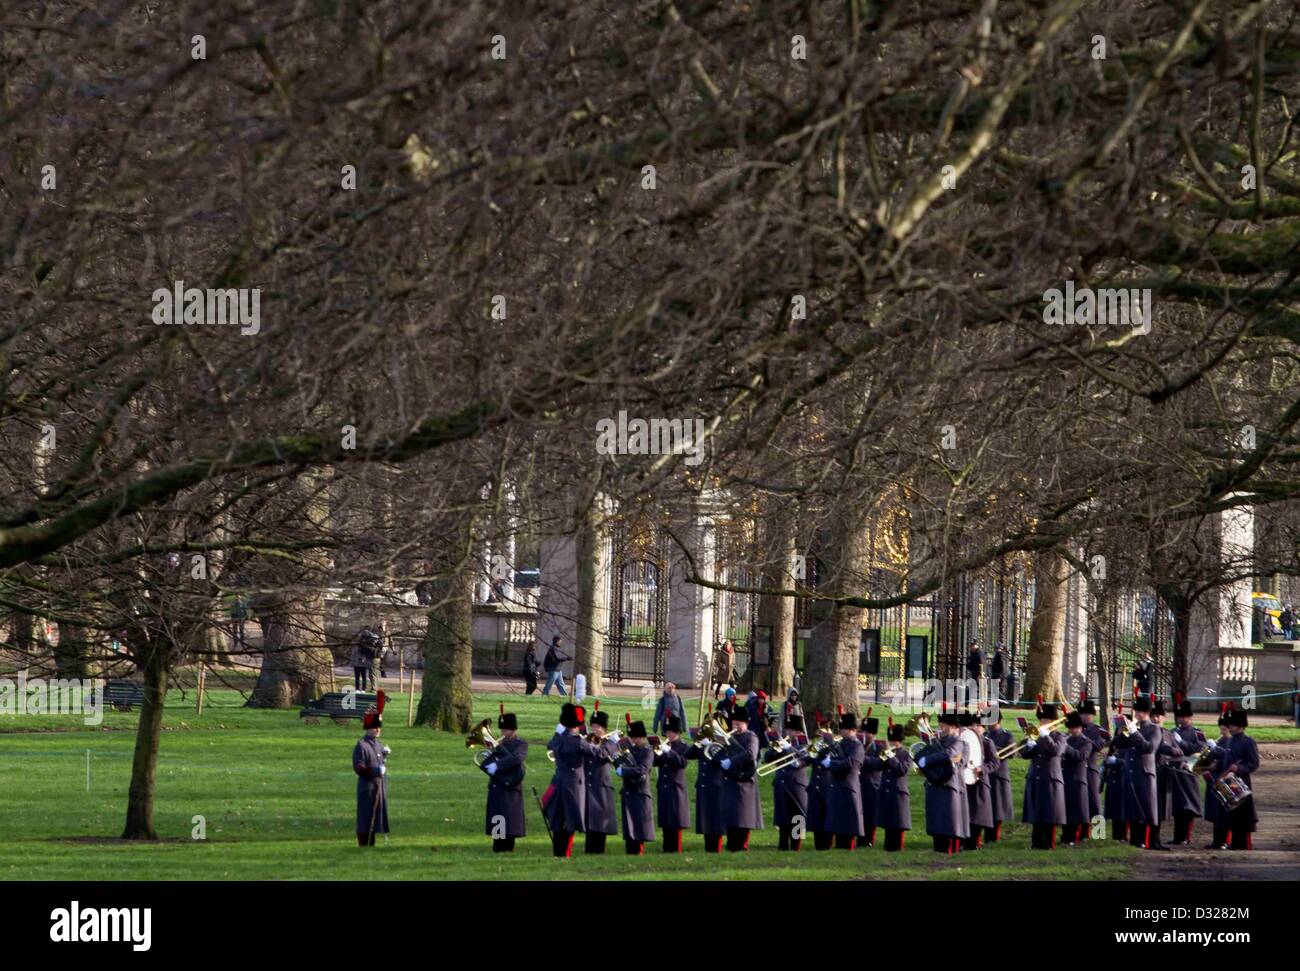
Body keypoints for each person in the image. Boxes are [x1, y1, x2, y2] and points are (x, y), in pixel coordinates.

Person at [1115, 696, 1165, 850]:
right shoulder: (1134, 726)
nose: (1137, 714)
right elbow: (1119, 744)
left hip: (1145, 772)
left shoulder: (1154, 729)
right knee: (1133, 807)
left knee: (1146, 807)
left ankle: (1147, 840)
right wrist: (1121, 730)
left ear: (1148, 713)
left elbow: (1149, 748)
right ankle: (1136, 839)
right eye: (1137, 711)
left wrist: (1135, 733)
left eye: (1141, 712)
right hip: (1131, 770)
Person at [1206, 709, 1260, 850]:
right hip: (1228, 782)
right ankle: (1230, 842)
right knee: (1230, 816)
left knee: (1242, 816)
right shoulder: (1230, 741)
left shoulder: (1248, 742)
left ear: (1241, 725)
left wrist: (1239, 768)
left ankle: (1242, 844)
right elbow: (1226, 758)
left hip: (1241, 783)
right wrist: (1217, 764)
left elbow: (1254, 763)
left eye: (1233, 724)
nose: (1229, 726)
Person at [544, 703, 589, 857]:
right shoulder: (578, 741)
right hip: (573, 786)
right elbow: (599, 753)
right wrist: (612, 743)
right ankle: (564, 853)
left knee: (558, 820)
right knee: (568, 822)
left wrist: (557, 733)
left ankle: (558, 852)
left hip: (558, 782)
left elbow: (550, 745)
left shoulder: (559, 738)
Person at [1020, 702, 1066, 850]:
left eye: (1046, 721)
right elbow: (1025, 755)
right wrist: (1029, 744)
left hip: (1050, 779)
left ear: (1053, 722)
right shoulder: (1037, 735)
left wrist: (1045, 737)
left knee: (1049, 813)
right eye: (1042, 720)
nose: (1043, 723)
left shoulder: (1060, 736)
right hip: (1036, 778)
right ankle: (1036, 843)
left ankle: (1048, 844)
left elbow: (1056, 751)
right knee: (1037, 812)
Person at [921, 709, 968, 854]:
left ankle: (950, 850)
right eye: (941, 724)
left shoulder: (959, 742)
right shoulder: (937, 740)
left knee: (950, 822)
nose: (941, 728)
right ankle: (938, 847)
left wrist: (927, 760)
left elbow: (949, 754)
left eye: (945, 725)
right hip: (935, 783)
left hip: (950, 785)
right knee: (936, 820)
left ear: (954, 727)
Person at [483, 708, 528, 852]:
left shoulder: (520, 744)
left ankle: (508, 846)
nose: (503, 732)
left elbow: (516, 758)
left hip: (510, 785)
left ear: (513, 729)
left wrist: (498, 764)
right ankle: (497, 845)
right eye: (502, 729)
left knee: (508, 817)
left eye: (506, 729)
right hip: (497, 784)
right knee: (497, 814)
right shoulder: (499, 744)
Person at [765, 714, 810, 851]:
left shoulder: (803, 744)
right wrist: (774, 749)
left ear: (799, 732)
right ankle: (783, 844)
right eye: (788, 729)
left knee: (798, 814)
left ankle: (797, 845)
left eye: (792, 730)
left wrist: (789, 748)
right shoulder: (782, 743)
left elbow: (805, 758)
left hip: (797, 784)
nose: (788, 733)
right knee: (782, 815)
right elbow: (767, 759)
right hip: (781, 782)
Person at [718, 707, 762, 850]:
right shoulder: (730, 738)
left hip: (744, 781)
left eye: (739, 724)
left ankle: (742, 844)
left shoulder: (751, 736)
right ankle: (731, 844)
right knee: (731, 816)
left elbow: (750, 754)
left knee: (743, 816)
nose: (735, 727)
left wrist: (731, 761)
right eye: (734, 723)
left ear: (746, 724)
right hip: (731, 780)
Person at [823, 710, 865, 849]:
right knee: (837, 823)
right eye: (841, 729)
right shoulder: (840, 743)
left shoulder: (857, 745)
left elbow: (851, 763)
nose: (842, 732)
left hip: (848, 787)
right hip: (836, 785)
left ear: (853, 730)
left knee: (848, 824)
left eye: (845, 729)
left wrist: (831, 763)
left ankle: (848, 846)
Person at [685, 711, 726, 853]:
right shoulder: (703, 745)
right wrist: (698, 744)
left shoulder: (720, 744)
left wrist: (710, 745)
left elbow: (719, 760)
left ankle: (717, 848)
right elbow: (688, 755)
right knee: (706, 818)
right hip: (703, 784)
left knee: (716, 818)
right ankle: (708, 847)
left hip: (716, 784)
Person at [352, 692, 389, 847]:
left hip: (378, 787)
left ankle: (371, 842)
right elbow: (359, 768)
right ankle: (363, 843)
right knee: (365, 817)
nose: (377, 730)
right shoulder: (361, 745)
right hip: (367, 788)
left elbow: (380, 761)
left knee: (376, 817)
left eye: (378, 727)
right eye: (375, 727)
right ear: (368, 728)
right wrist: (375, 771)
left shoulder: (378, 745)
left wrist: (385, 755)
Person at [1168, 695, 1205, 845]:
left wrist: (1181, 742)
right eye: (1180, 717)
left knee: (1187, 805)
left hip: (1188, 772)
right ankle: (1178, 836)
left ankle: (1186, 836)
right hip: (1175, 771)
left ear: (1190, 717)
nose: (1182, 720)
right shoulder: (1173, 730)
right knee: (1177, 805)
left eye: (1184, 717)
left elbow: (1201, 751)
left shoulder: (1197, 733)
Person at [582, 708, 620, 854]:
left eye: (597, 727)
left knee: (601, 820)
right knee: (590, 819)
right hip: (589, 784)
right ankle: (589, 848)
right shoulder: (588, 741)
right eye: (593, 727)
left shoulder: (610, 743)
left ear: (604, 729)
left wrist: (607, 743)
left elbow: (603, 755)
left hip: (602, 785)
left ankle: (599, 849)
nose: (595, 730)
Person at [616, 721, 656, 855]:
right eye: (632, 738)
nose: (633, 741)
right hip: (628, 790)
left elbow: (642, 769)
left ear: (642, 737)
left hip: (639, 792)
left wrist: (624, 771)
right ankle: (630, 850)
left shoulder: (647, 751)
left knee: (639, 827)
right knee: (629, 826)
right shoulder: (632, 749)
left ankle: (638, 851)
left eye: (635, 738)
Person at [653, 715, 690, 852]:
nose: (668, 734)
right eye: (667, 732)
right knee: (665, 819)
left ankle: (675, 848)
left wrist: (670, 752)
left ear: (678, 732)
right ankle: (666, 847)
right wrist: (656, 752)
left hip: (676, 786)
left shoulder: (683, 746)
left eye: (671, 732)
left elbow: (682, 762)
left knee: (675, 819)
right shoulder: (664, 746)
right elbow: (654, 763)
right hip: (663, 785)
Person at [876, 719, 913, 851]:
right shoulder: (888, 753)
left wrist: (891, 756)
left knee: (898, 824)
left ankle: (898, 847)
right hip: (887, 791)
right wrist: (882, 755)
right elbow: (878, 765)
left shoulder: (906, 753)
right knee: (888, 823)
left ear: (899, 740)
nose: (891, 742)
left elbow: (901, 769)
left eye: (893, 740)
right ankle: (888, 847)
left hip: (898, 793)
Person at [961, 711, 992, 849]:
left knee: (977, 815)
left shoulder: (988, 743)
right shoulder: (965, 741)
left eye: (979, 725)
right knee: (965, 813)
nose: (976, 727)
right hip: (966, 781)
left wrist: (983, 769)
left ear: (984, 728)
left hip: (980, 782)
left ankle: (974, 842)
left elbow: (994, 762)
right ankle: (964, 841)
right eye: (973, 725)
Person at [1060, 711, 1092, 844]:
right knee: (1065, 809)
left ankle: (1075, 837)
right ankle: (1066, 836)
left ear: (1080, 728)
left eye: (1074, 728)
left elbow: (1081, 756)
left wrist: (1065, 747)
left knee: (1076, 810)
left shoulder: (1086, 742)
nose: (1071, 730)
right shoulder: (1066, 739)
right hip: (1065, 777)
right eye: (1070, 728)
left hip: (1077, 779)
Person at [984, 708, 1013, 842]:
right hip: (986, 773)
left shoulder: (1006, 735)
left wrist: (992, 748)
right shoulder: (985, 734)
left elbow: (1011, 753)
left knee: (998, 808)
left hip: (999, 774)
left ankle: (994, 837)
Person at [1079, 697, 1107, 823]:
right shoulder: (1076, 728)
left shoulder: (1098, 730)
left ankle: (1098, 831)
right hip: (1078, 769)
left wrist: (1082, 737)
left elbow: (1098, 745)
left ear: (1092, 715)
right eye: (1081, 714)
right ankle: (1081, 830)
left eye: (1086, 714)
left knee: (1094, 800)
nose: (1084, 717)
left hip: (1091, 769)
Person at [807, 714, 833, 850]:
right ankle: (818, 845)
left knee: (826, 817)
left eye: (823, 732)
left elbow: (834, 756)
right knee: (816, 818)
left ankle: (827, 845)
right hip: (815, 787)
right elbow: (808, 758)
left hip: (827, 785)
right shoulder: (817, 746)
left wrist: (828, 744)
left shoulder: (832, 745)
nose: (820, 736)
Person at [858, 712, 883, 847]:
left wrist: (862, 758)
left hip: (872, 784)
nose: (864, 734)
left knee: (870, 814)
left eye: (867, 732)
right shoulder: (858, 746)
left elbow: (879, 763)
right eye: (863, 731)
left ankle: (869, 840)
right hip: (858, 784)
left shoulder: (879, 747)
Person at [352, 625, 380, 692]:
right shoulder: (372, 640)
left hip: (366, 660)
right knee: (368, 675)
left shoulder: (367, 642)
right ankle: (362, 689)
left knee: (370, 675)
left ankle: (371, 688)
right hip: (365, 660)